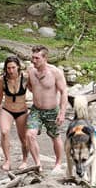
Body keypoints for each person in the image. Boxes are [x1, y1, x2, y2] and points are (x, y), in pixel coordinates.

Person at [24, 45, 69, 173]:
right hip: (36, 110)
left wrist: (62, 113)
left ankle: (58, 163)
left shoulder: (55, 72)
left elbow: (64, 92)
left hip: (52, 110)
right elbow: (29, 86)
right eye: (32, 57)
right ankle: (38, 164)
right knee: (29, 135)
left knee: (55, 136)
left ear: (45, 58)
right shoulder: (30, 70)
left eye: (37, 58)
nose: (33, 61)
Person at [0, 55, 29, 171]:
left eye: (13, 67)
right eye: (8, 68)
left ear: (18, 66)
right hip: (7, 109)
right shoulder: (2, 79)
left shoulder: (25, 77)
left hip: (21, 110)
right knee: (4, 132)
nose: (11, 70)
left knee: (23, 137)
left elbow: (35, 89)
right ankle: (7, 160)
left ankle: (25, 161)